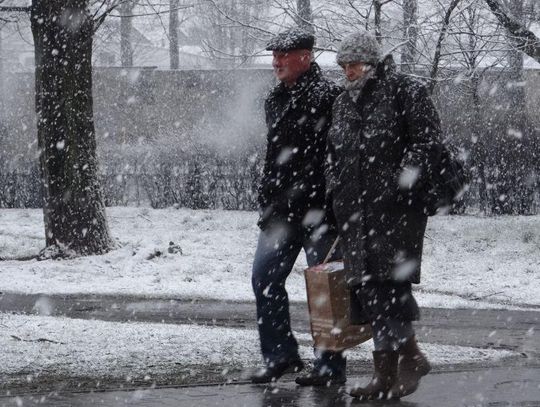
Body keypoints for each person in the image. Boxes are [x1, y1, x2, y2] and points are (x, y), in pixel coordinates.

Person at [326, 31, 442, 400]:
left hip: (396, 210)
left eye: (354, 64)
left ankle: (410, 359)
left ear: (373, 63)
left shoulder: (404, 91)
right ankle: (386, 374)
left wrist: (401, 182)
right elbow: (333, 151)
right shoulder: (343, 102)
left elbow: (427, 142)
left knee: (389, 287)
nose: (348, 71)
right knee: (370, 290)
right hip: (355, 210)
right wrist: (334, 184)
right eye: (344, 65)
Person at [250, 27, 346, 386]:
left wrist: (337, 203)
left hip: (321, 211)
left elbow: (339, 155)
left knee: (324, 291)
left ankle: (330, 366)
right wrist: (267, 196)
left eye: (284, 55)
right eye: (274, 55)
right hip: (280, 212)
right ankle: (280, 357)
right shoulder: (274, 99)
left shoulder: (330, 97)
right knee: (264, 279)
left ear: (305, 57)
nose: (276, 61)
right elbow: (274, 156)